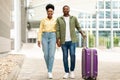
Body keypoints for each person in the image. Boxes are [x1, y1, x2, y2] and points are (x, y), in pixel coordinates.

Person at [56, 5, 86, 79]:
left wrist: (82, 33)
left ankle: (72, 71)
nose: (66, 10)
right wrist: (58, 39)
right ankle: (66, 72)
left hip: (72, 41)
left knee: (72, 55)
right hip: (63, 42)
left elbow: (78, 27)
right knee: (65, 57)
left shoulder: (73, 18)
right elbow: (57, 30)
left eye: (67, 9)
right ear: (63, 10)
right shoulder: (59, 19)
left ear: (69, 10)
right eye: (64, 9)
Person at [37, 4, 56, 79]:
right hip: (44, 37)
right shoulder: (43, 20)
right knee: (46, 54)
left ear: (53, 12)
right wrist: (39, 40)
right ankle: (49, 69)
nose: (50, 12)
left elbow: (57, 31)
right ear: (47, 12)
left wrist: (58, 39)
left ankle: (50, 71)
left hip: (53, 36)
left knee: (51, 55)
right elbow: (40, 30)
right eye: (48, 11)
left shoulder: (55, 20)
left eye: (51, 11)